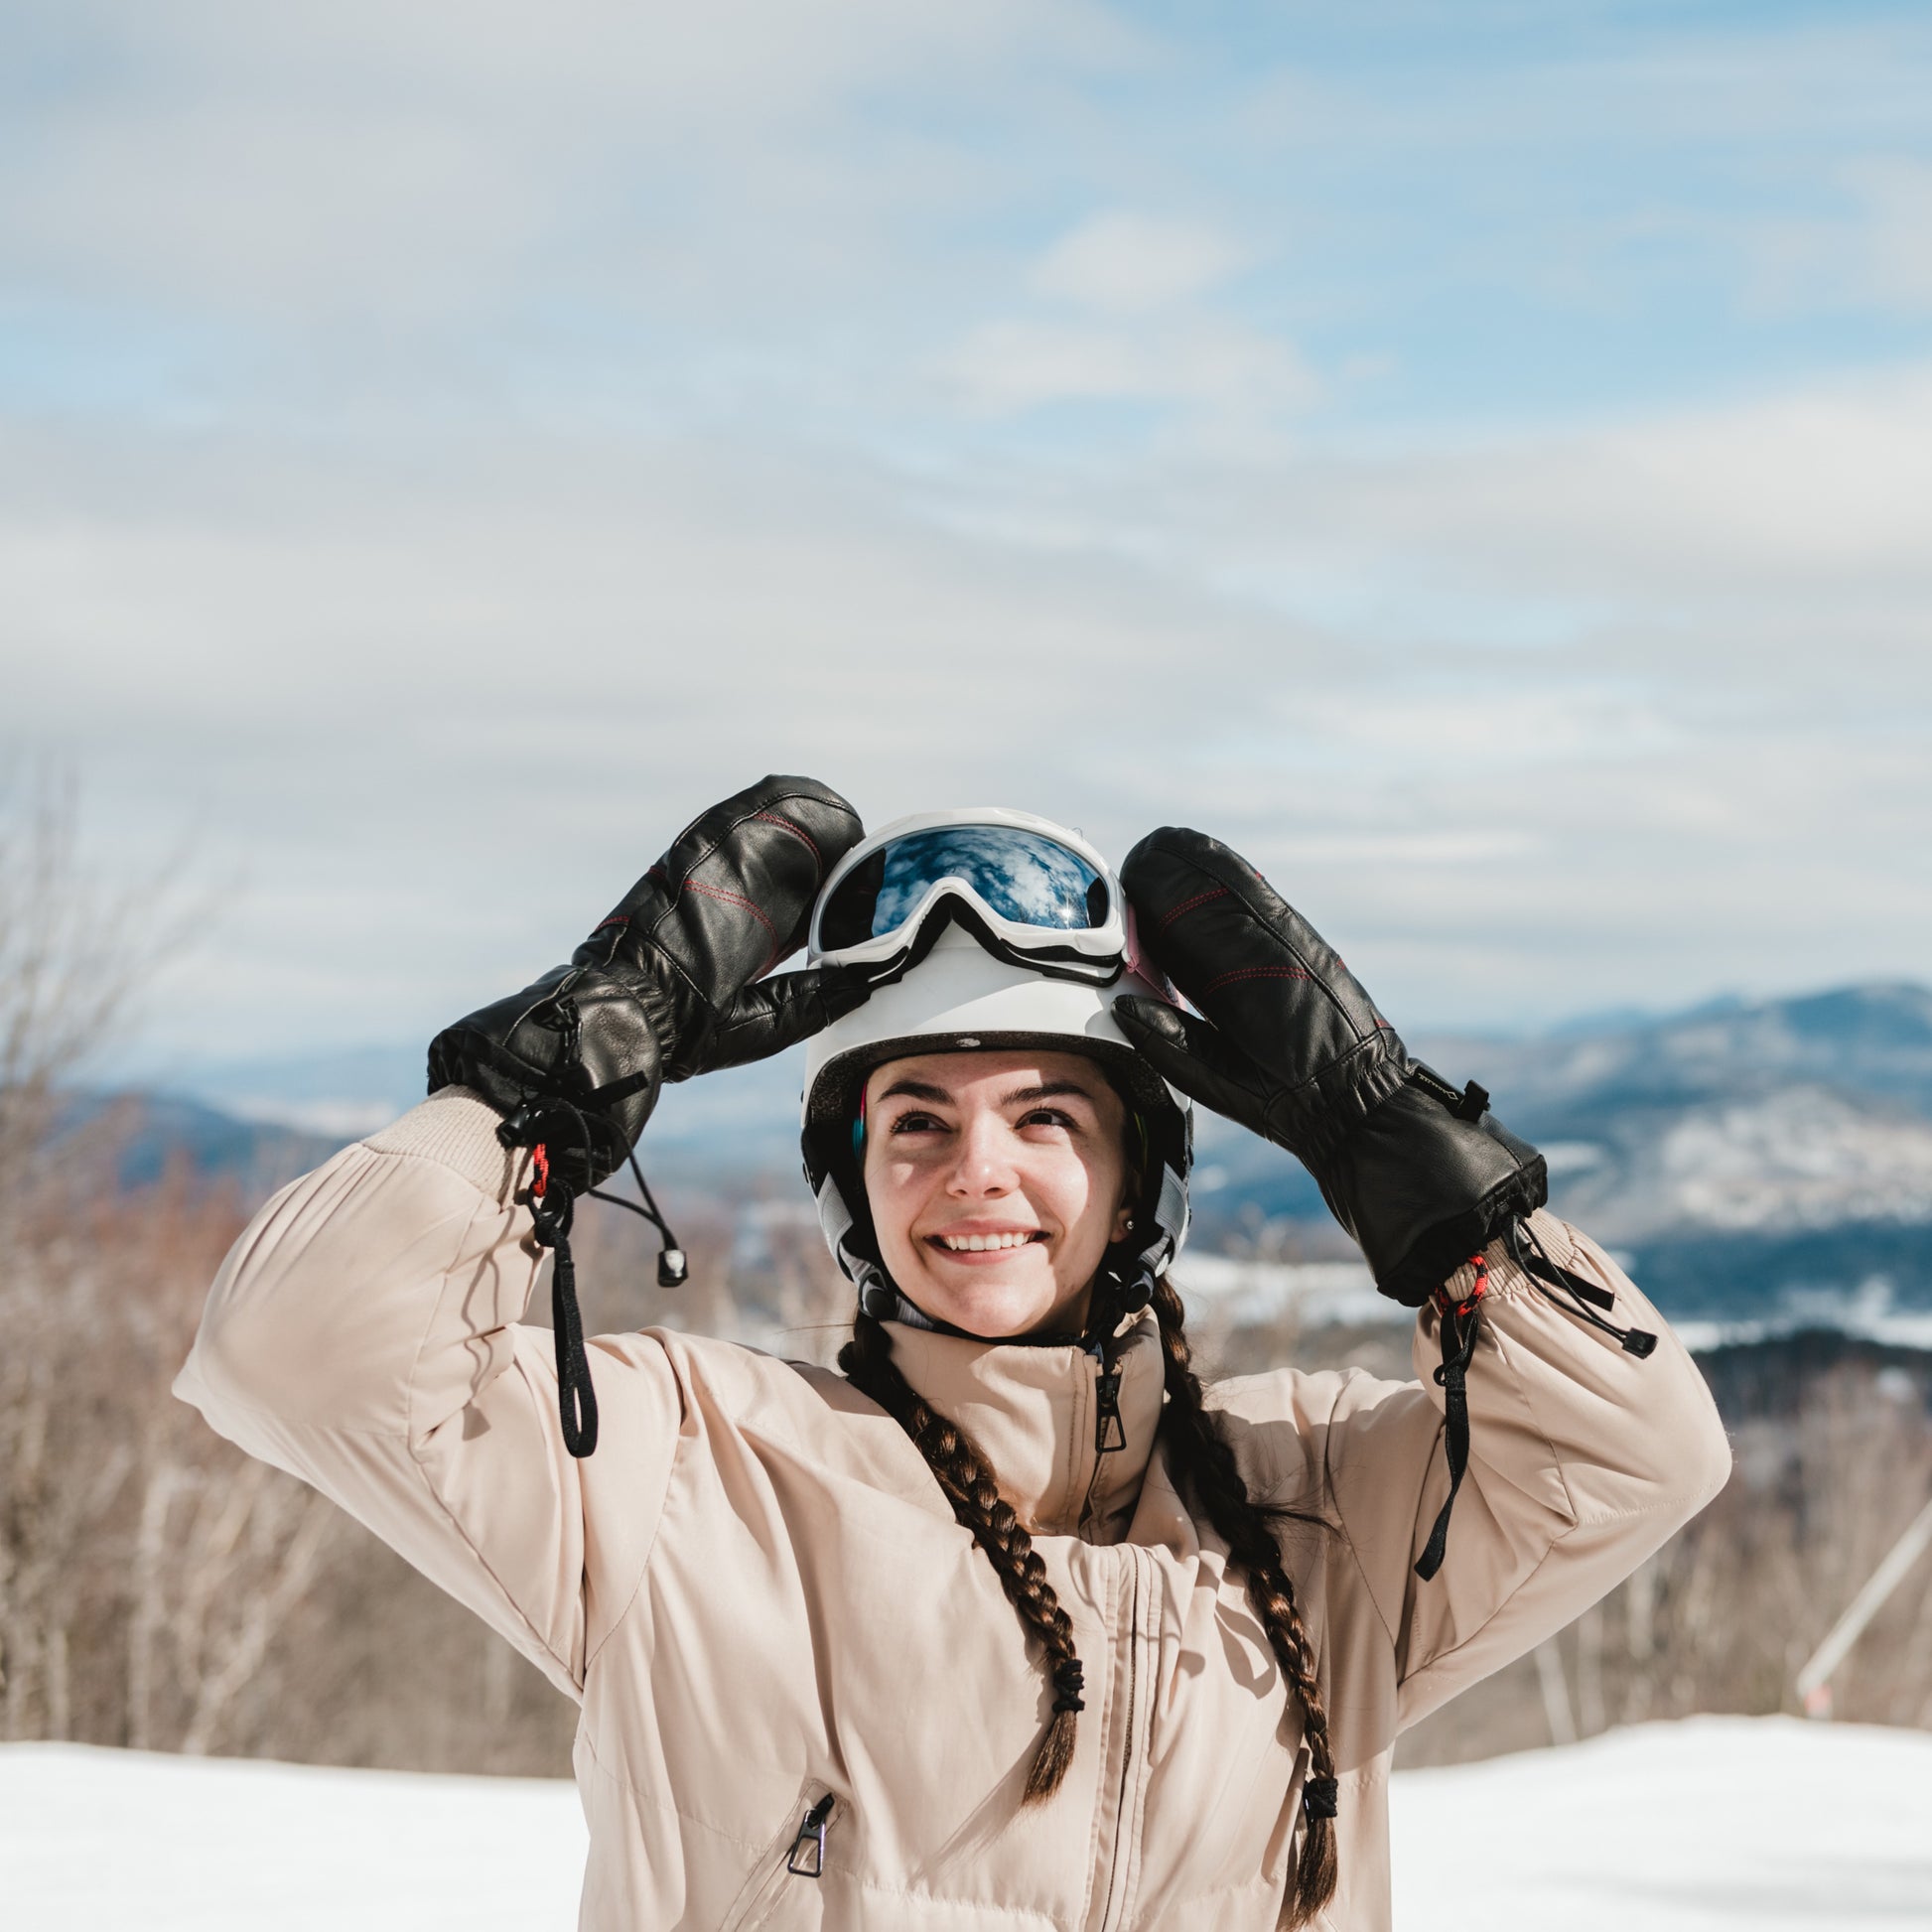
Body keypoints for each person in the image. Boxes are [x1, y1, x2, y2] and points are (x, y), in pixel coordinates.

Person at [177, 776, 1731, 1931]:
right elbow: (299, 1348)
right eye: (913, 1121)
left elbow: (1641, 1452)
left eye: (1045, 1116)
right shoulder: (692, 1467)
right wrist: (549, 1079)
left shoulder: (1319, 1498)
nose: (974, 1170)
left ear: (1139, 1172)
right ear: (851, 1178)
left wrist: (1408, 1164)